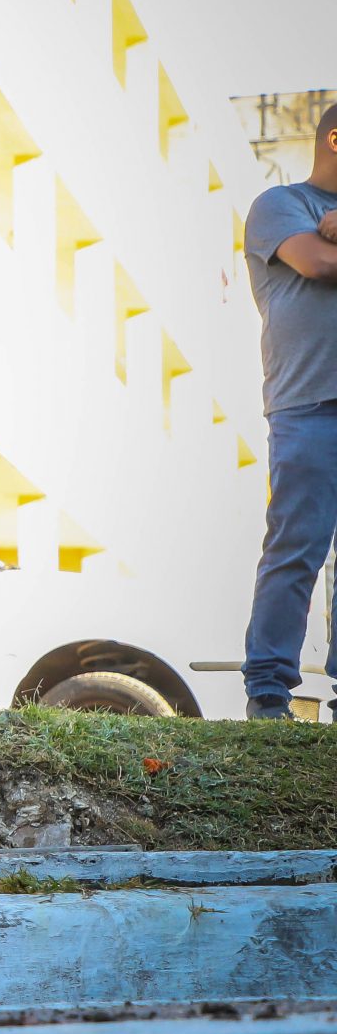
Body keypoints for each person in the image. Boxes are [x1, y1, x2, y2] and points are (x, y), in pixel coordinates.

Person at [233, 99, 337, 722]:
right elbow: (318, 263)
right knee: (296, 546)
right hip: (307, 405)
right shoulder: (282, 206)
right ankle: (269, 692)